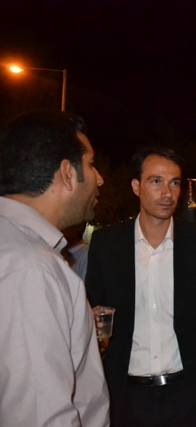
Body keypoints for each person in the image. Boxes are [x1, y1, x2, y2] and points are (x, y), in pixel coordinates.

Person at [85, 147, 196, 427]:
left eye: (174, 182)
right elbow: (90, 311)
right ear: (136, 187)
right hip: (125, 396)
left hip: (190, 395)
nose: (167, 193)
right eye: (156, 181)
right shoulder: (107, 245)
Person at [0, 110, 109, 426]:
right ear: (67, 173)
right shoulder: (32, 269)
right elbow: (39, 413)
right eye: (90, 164)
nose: (99, 179)